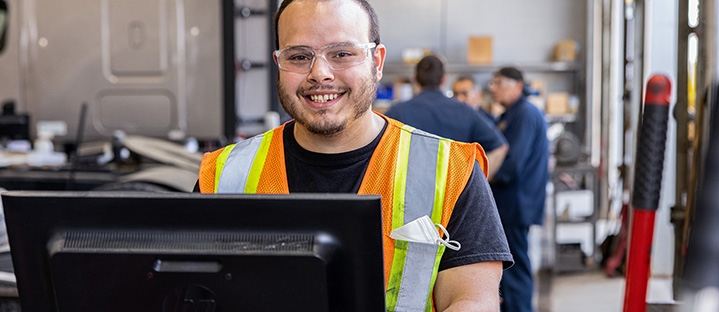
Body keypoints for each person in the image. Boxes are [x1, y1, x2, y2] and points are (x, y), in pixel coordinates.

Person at [195, 0, 513, 311]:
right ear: (279, 63)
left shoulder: (453, 172)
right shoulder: (223, 175)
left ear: (377, 62)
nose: (319, 73)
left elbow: (471, 300)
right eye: (299, 56)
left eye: (342, 54)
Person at [384, 55, 508, 179]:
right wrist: (476, 183)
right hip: (455, 194)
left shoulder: (397, 112)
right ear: (444, 79)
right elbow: (500, 147)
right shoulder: (465, 112)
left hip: (406, 194)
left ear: (415, 79)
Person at [488, 66, 549, 312]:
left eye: (499, 83)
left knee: (514, 267)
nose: (493, 88)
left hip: (516, 202)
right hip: (515, 202)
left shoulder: (523, 114)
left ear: (517, 85)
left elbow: (512, 163)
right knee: (511, 265)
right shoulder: (513, 114)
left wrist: (485, 179)